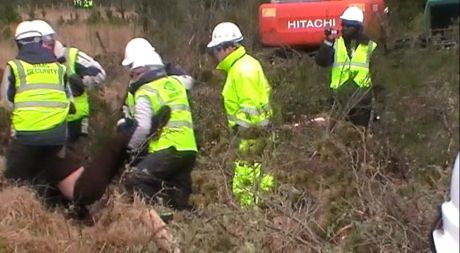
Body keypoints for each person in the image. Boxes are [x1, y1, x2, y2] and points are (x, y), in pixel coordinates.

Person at [119, 38, 198, 210]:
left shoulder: (144, 92)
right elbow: (189, 81)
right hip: (188, 149)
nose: (132, 79)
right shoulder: (177, 82)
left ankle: (153, 219)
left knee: (135, 177)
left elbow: (142, 127)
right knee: (177, 201)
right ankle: (186, 227)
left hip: (166, 150)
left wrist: (131, 149)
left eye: (133, 73)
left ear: (141, 69)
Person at [207, 22, 275, 207]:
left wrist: (243, 132)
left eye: (217, 49)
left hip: (251, 138)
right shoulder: (244, 65)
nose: (215, 54)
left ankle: (252, 222)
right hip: (255, 137)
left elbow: (251, 108)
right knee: (261, 183)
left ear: (228, 48)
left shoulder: (242, 71)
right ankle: (263, 216)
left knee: (246, 187)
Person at [32, 19, 106, 159]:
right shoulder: (32, 63)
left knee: (76, 161)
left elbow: (100, 74)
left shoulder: (71, 55)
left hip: (75, 122)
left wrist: (80, 82)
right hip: (48, 123)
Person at [315, 6, 378, 128]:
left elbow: (379, 76)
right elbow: (321, 62)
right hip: (339, 98)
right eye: (343, 25)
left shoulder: (370, 47)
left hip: (362, 101)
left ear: (357, 28)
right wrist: (328, 41)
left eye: (349, 26)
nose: (344, 28)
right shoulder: (336, 43)